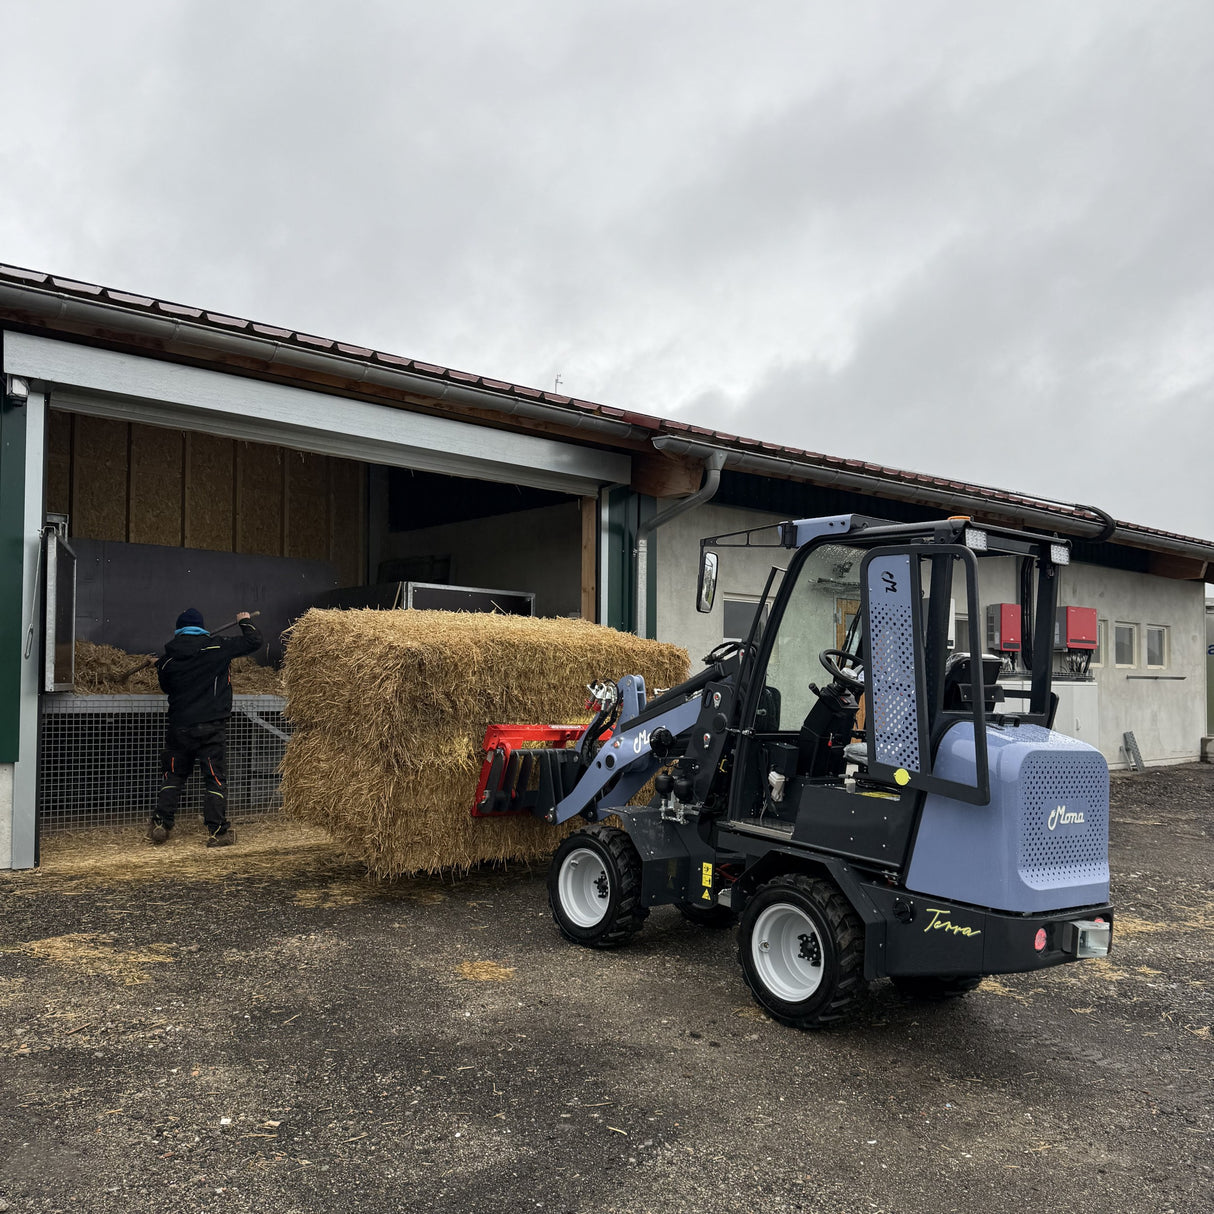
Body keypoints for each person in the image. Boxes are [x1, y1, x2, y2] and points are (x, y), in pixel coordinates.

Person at [147, 608, 264, 847]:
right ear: (201, 628)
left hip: (179, 728)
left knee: (173, 775)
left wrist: (159, 665)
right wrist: (245, 622)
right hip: (210, 728)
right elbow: (254, 641)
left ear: (179, 630)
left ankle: (161, 824)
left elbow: (167, 687)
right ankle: (218, 832)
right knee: (214, 778)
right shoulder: (217, 647)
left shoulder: (168, 660)